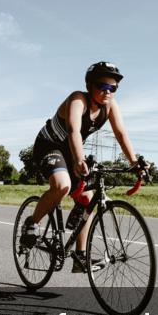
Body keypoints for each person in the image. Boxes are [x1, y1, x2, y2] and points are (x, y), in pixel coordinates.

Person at [22, 62, 146, 273]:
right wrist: (79, 159)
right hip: (50, 146)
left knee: (88, 199)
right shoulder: (78, 99)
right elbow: (73, 130)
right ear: (89, 85)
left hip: (72, 150)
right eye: (102, 86)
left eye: (113, 88)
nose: (107, 92)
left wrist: (134, 163)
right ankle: (32, 223)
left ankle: (80, 257)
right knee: (62, 186)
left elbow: (121, 134)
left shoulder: (110, 107)